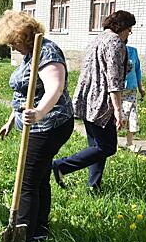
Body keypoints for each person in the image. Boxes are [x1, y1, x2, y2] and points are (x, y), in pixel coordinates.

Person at [0, 10, 74, 242]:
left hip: (49, 125)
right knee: (39, 179)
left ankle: (22, 241)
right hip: (36, 124)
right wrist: (11, 119)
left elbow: (54, 88)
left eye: (14, 41)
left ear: (25, 35)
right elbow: (25, 93)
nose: (13, 47)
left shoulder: (47, 51)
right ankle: (39, 230)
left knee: (27, 182)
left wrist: (38, 112)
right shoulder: (30, 54)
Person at [53, 10, 136, 193]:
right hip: (102, 103)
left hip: (86, 99)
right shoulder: (115, 42)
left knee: (96, 146)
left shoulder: (96, 40)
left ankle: (94, 186)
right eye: (129, 30)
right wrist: (117, 110)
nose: (129, 34)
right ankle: (62, 166)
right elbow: (114, 79)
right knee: (107, 147)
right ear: (122, 27)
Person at [122, 45, 146, 152]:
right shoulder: (113, 50)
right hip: (116, 91)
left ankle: (130, 143)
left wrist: (140, 87)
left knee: (132, 115)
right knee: (115, 115)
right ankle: (112, 142)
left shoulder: (133, 51)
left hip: (131, 89)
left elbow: (137, 70)